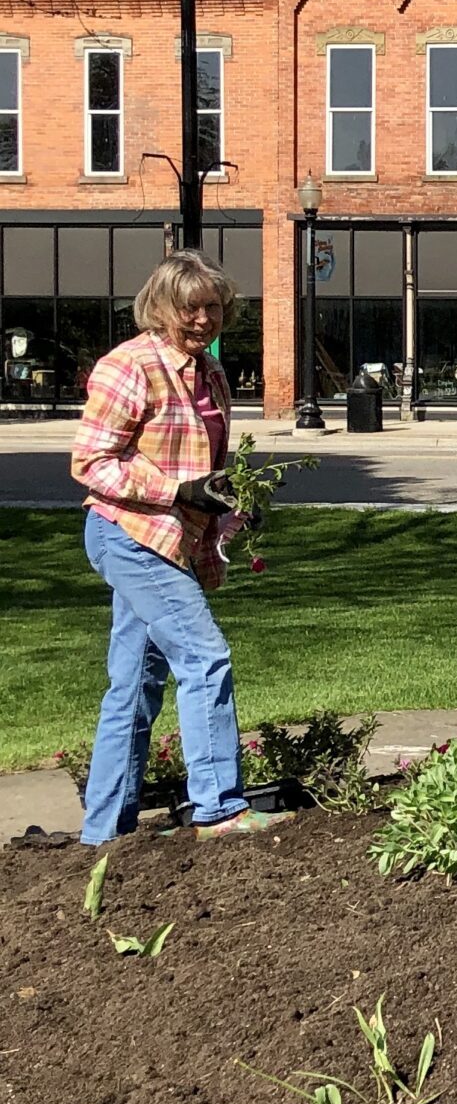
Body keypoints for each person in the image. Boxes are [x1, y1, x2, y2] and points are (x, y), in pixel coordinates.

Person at [69, 251, 291, 843]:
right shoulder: (130, 366)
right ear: (161, 307)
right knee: (204, 657)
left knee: (134, 686)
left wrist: (230, 504)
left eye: (212, 307)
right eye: (190, 308)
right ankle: (219, 809)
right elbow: (91, 463)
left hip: (175, 540)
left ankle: (104, 832)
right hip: (129, 534)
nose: (202, 319)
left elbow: (204, 469)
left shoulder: (210, 372)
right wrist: (175, 491)